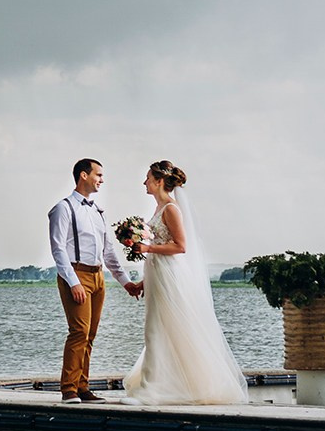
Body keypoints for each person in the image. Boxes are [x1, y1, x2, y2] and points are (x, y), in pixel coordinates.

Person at [121, 160, 250, 405]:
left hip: (170, 273)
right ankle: (162, 384)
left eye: (148, 178)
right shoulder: (160, 208)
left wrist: (147, 247)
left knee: (157, 330)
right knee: (157, 329)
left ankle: (151, 391)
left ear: (159, 181)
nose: (144, 182)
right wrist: (143, 282)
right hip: (157, 273)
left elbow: (181, 246)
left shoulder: (171, 208)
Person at [48, 158, 143, 403]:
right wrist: (73, 282)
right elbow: (58, 249)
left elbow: (109, 252)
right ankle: (68, 389)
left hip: (98, 275)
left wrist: (126, 283)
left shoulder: (97, 211)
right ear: (83, 175)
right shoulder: (64, 208)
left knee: (90, 334)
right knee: (78, 331)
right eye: (98, 175)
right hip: (76, 274)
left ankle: (82, 386)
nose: (102, 179)